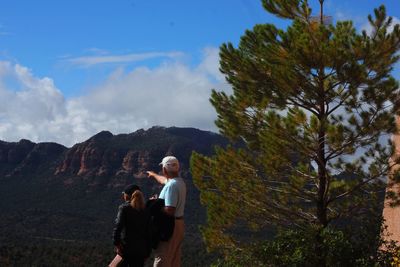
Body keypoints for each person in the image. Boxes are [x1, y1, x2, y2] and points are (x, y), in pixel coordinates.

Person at [147, 156, 187, 267]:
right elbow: (165, 180)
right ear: (177, 169)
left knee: (162, 258)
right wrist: (154, 175)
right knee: (174, 259)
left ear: (164, 169)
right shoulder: (179, 182)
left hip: (170, 226)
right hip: (179, 224)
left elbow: (170, 210)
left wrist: (154, 204)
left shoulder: (171, 186)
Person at [112, 184, 151, 267]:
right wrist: (147, 251)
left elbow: (118, 227)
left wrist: (117, 244)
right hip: (141, 250)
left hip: (127, 249)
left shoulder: (124, 208)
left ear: (127, 195)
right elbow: (149, 232)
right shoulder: (146, 210)